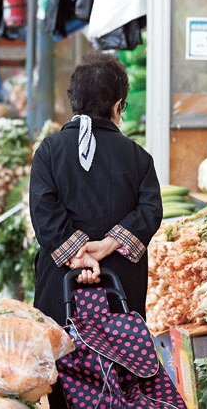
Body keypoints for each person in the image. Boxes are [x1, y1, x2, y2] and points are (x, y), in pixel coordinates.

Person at [29, 51, 162, 327]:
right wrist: (107, 245)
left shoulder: (50, 151)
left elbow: (44, 211)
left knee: (63, 356)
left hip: (61, 281)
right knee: (122, 357)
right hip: (120, 285)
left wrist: (79, 255)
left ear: (74, 102)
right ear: (118, 106)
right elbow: (150, 210)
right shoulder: (138, 157)